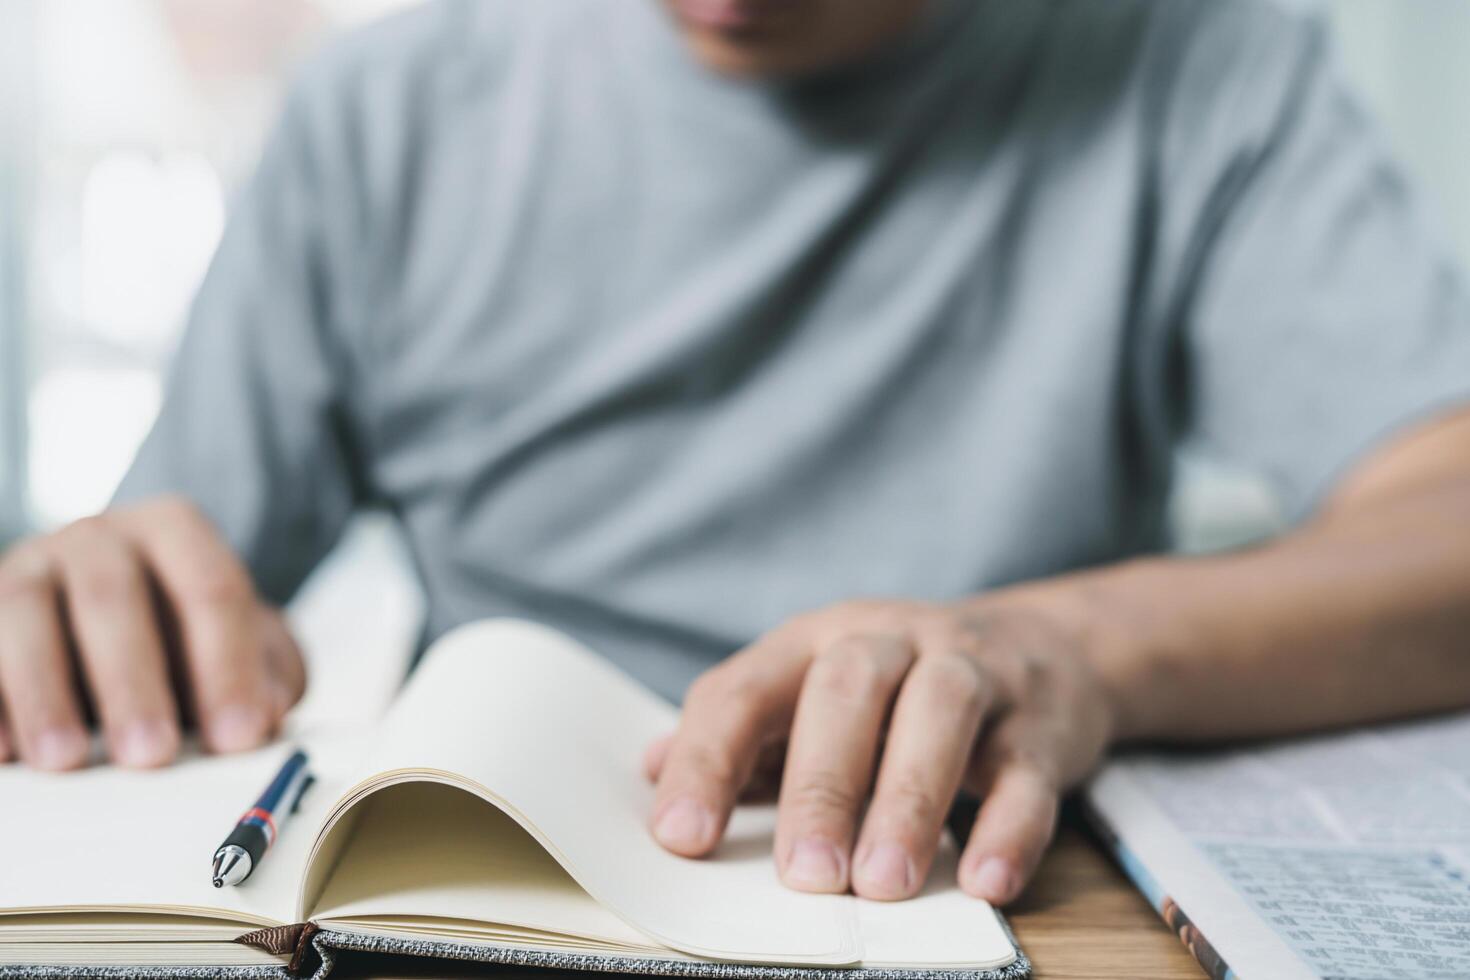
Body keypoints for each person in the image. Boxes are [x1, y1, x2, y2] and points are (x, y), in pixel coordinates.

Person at [2, 0, 1469, 909]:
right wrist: (87, 601)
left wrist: (1072, 646)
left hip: (971, 890)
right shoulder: (376, 115)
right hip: (457, 908)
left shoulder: (1196, 66)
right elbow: (151, 616)